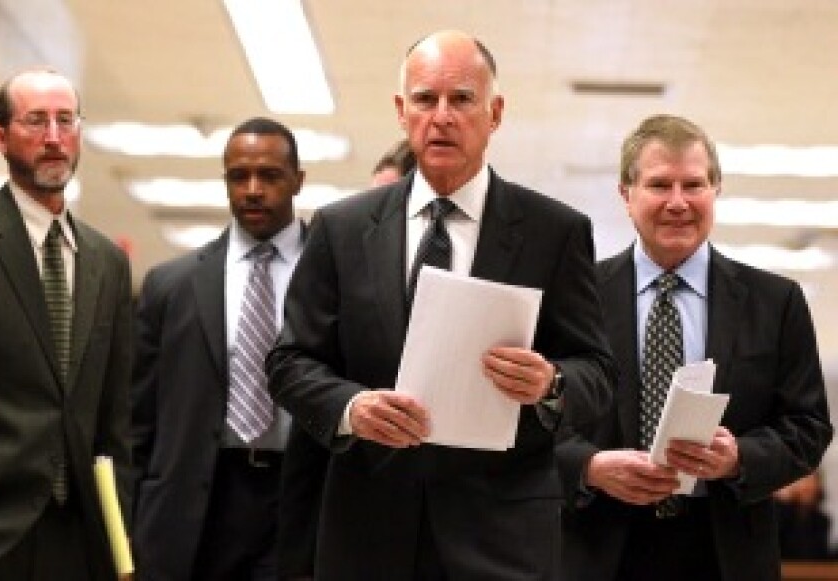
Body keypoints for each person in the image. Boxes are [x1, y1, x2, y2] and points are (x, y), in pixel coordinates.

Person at [267, 30, 613, 581]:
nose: (442, 117)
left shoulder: (555, 232)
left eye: (462, 99)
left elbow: (597, 370)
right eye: (426, 99)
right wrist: (351, 408)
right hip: (368, 530)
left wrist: (551, 383)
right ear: (401, 112)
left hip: (502, 536)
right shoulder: (341, 228)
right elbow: (290, 362)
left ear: (495, 113)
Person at [557, 114, 834, 581]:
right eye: (659, 185)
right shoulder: (576, 298)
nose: (678, 202)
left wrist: (740, 457)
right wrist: (590, 466)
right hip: (600, 550)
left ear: (715, 190)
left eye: (693, 185)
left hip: (725, 551)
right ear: (626, 195)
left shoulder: (775, 302)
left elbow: (809, 428)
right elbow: (533, 423)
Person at [0, 68, 133, 580]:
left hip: (80, 531)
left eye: (66, 120)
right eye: (36, 121)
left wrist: (121, 534)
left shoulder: (107, 260)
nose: (54, 137)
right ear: (0, 137)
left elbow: (114, 414)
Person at [131, 117, 312, 580]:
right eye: (238, 176)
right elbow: (138, 422)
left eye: (269, 176)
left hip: (300, 500)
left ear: (297, 180)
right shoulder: (172, 286)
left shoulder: (334, 276)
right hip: (197, 504)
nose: (253, 190)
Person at [775, 471, 833, 560]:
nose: (807, 486)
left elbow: (821, 554)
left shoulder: (821, 520)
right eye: (803, 482)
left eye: (812, 482)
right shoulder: (781, 515)